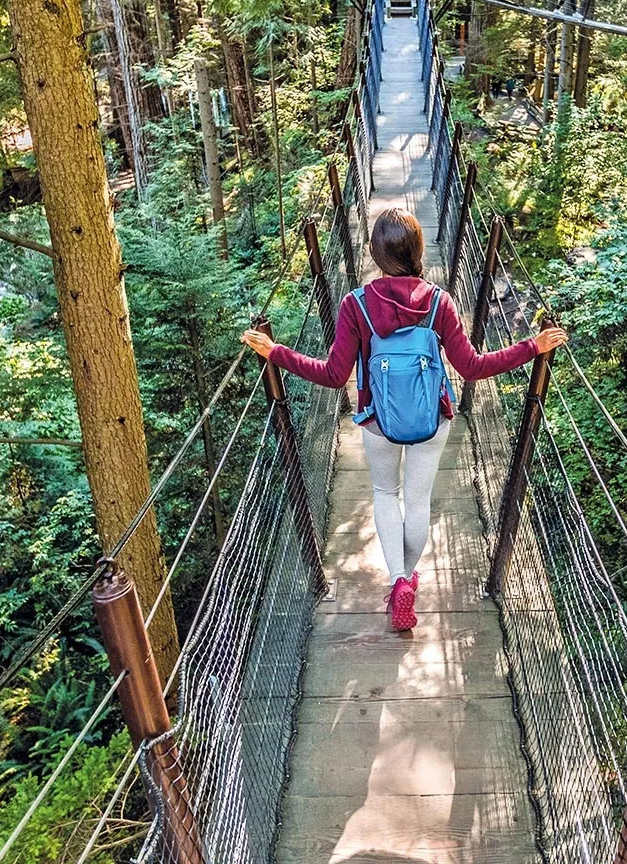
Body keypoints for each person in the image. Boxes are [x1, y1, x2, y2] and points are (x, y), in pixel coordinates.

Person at [242, 209, 567, 632]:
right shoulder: (439, 302)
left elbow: (334, 375)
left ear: (375, 253)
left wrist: (275, 352)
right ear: (418, 250)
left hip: (378, 419)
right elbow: (472, 367)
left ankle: (398, 578)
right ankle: (406, 581)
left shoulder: (356, 304)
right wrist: (532, 346)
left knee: (385, 492)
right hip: (432, 418)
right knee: (417, 502)